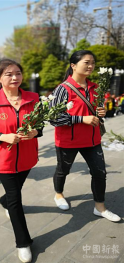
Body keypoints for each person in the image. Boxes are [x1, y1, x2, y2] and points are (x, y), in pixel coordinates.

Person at [0, 59, 43, 263]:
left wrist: (35, 132)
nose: (14, 77)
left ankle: (3, 201)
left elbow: (40, 125)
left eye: (18, 73)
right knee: (16, 199)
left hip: (26, 158)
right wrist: (2, 137)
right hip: (3, 158)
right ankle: (23, 243)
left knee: (12, 195)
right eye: (8, 74)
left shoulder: (34, 98)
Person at [49, 50, 121, 222]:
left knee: (100, 173)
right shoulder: (62, 89)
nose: (91, 66)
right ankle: (58, 195)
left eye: (93, 63)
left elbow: (96, 112)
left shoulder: (96, 87)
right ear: (73, 65)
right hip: (68, 141)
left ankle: (100, 207)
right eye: (86, 62)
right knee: (63, 170)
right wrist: (81, 119)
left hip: (92, 140)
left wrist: (101, 112)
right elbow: (53, 118)